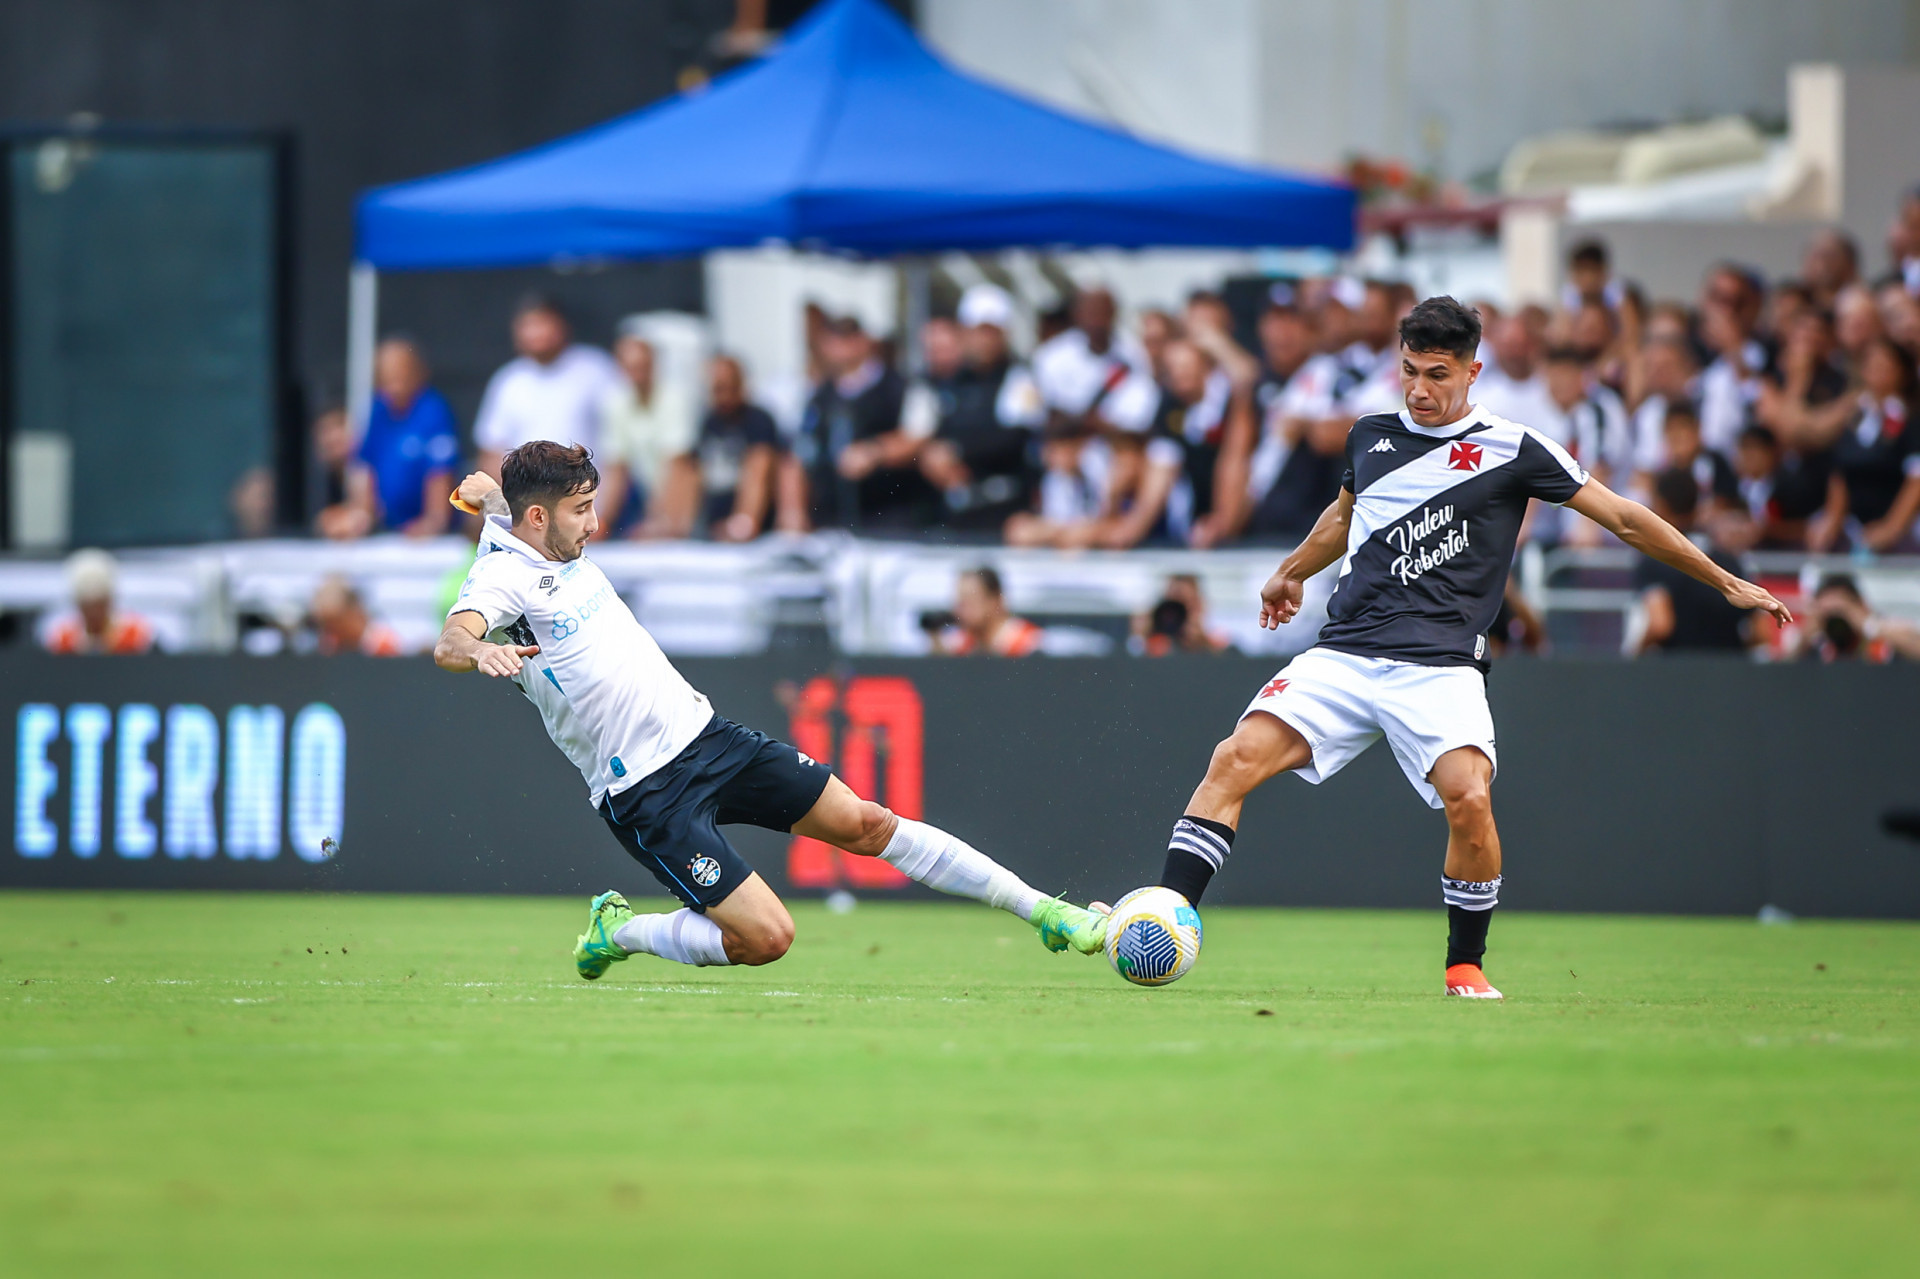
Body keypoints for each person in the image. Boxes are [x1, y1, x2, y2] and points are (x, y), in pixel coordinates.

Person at [1147, 297, 1790, 1001]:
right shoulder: (1370, 435)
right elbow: (1342, 514)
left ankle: (1464, 965)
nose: (1420, 389)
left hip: (1442, 667)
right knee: (1232, 758)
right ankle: (1166, 919)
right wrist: (1291, 571)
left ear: (1473, 371)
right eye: (1409, 371)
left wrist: (1727, 580)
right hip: (1346, 654)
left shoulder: (1515, 448)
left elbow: (1627, 519)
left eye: (1437, 374)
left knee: (1470, 799)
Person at [434, 447, 1106, 976]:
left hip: (708, 737)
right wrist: (477, 651)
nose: (596, 523)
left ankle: (1042, 908)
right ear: (540, 517)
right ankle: (621, 931)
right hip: (644, 790)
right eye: (581, 509)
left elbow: (502, 511)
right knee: (766, 938)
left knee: (869, 822)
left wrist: (490, 494)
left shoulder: (527, 529)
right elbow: (451, 638)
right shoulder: (500, 578)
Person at [911, 285, 1046, 531]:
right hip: (955, 508)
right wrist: (933, 455)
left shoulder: (1020, 378)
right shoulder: (949, 382)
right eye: (977, 331)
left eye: (991, 332)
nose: (983, 340)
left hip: (1003, 507)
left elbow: (1014, 435)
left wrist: (958, 450)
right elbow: (935, 430)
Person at [790, 315, 922, 530]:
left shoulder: (897, 386)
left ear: (861, 341)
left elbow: (917, 438)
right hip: (831, 518)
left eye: (843, 340)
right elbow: (800, 452)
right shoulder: (821, 396)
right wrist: (794, 511)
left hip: (888, 514)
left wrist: (875, 452)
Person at [472, 296, 621, 481]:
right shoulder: (508, 380)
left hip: (588, 499)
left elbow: (621, 446)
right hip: (528, 502)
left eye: (542, 323)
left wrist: (605, 508)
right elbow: (492, 450)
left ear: (562, 325)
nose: (535, 333)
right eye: (527, 325)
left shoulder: (596, 368)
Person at [1809, 336, 1920, 552]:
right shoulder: (1855, 416)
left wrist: (1892, 527)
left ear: (1902, 371)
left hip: (1901, 533)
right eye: (1871, 363)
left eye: (1885, 364)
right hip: (1854, 529)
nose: (1877, 370)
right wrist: (1832, 519)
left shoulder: (1911, 419)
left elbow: (1916, 478)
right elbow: (1841, 471)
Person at [1631, 470, 1756, 655]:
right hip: (1730, 675)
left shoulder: (1655, 559)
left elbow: (1660, 625)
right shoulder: (1730, 559)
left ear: (1661, 505)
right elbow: (1759, 632)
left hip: (1680, 675)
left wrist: (1635, 655)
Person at [597, 331, 699, 536]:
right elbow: (617, 468)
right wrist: (601, 522)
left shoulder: (674, 398)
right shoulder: (616, 403)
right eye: (631, 368)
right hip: (652, 499)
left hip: (687, 503)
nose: (637, 374)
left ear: (654, 365)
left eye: (643, 366)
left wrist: (661, 519)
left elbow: (680, 467)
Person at [356, 338, 460, 536]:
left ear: (416, 373)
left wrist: (434, 520)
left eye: (399, 373)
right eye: (385, 376)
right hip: (387, 528)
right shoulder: (377, 411)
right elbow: (365, 466)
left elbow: (441, 471)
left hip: (427, 531)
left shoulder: (433, 410)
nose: (393, 384)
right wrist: (360, 516)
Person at [695, 355, 782, 542]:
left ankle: (742, 525)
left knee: (759, 459)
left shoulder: (758, 419)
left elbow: (763, 467)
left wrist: (743, 521)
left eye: (728, 387)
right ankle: (672, 527)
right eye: (717, 389)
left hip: (755, 516)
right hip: (714, 515)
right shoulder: (708, 422)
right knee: (683, 464)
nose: (723, 395)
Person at [42, 549, 154, 655]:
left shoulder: (134, 636)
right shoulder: (64, 639)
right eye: (88, 606)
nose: (94, 613)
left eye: (99, 605)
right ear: (78, 605)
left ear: (109, 601)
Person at [1789, 573, 1920, 662]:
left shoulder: (1885, 637)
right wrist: (1805, 637)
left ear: (1861, 605)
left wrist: (1868, 624)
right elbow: (1781, 672)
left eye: (1842, 611)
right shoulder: (1815, 646)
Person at [930, 566, 1043, 656]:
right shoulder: (961, 644)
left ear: (996, 601)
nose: (960, 611)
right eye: (959, 603)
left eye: (970, 601)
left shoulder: (1029, 645)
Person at [312, 407, 374, 540]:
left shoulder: (362, 467)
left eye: (338, 427)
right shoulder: (324, 478)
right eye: (324, 431)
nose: (330, 436)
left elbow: (365, 515)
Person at [1130, 574, 1231, 656]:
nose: (1178, 613)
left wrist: (1199, 642)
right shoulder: (1151, 644)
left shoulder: (1218, 647)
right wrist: (1140, 638)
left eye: (1186, 602)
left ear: (1199, 606)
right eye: (1173, 603)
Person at [309, 575, 404, 656]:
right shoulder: (328, 647)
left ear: (353, 613)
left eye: (336, 624)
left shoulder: (383, 645)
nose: (332, 632)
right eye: (327, 626)